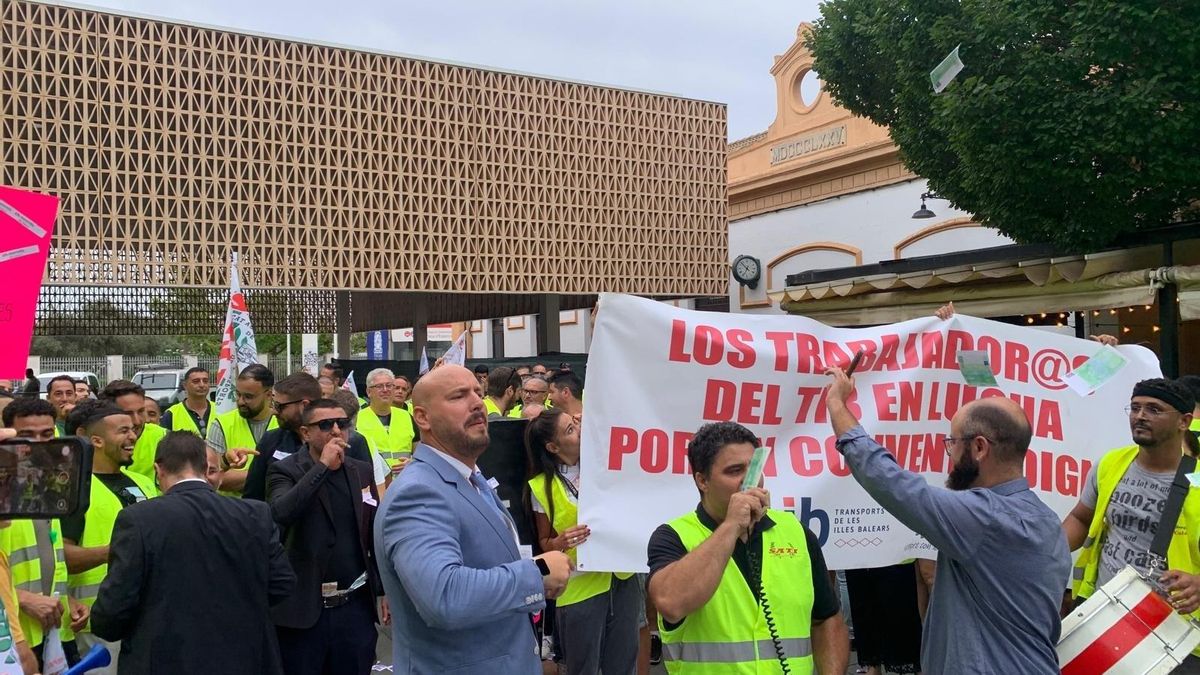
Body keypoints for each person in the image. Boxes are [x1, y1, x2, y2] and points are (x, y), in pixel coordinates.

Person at [824, 366, 1070, 674]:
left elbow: (891, 482)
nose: (949, 454)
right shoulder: (1045, 519)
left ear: (979, 447)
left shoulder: (985, 518)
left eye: (952, 442)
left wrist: (837, 405)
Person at [375, 364, 572, 673]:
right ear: (422, 417)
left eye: (478, 393)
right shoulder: (418, 494)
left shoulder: (470, 477)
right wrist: (538, 573)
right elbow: (444, 596)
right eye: (458, 396)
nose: (477, 402)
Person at [647, 422, 848, 674]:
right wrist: (732, 526)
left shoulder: (795, 532)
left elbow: (826, 618)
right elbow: (671, 602)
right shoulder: (674, 537)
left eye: (754, 468)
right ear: (702, 480)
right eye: (734, 471)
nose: (749, 481)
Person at [91, 432, 295, 675]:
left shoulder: (139, 519)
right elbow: (282, 583)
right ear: (204, 467)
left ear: (158, 469)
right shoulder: (255, 514)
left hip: (165, 658)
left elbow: (116, 604)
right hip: (245, 656)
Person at [1064, 378, 1200, 669]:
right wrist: (1044, 550)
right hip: (1104, 613)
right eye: (1135, 408)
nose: (1140, 416)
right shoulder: (1110, 463)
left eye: (1154, 409)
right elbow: (1080, 518)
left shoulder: (1198, 481)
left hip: (1175, 632)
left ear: (1184, 421)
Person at [267, 400, 382, 675]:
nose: (336, 431)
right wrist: (321, 468)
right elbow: (281, 512)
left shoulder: (360, 470)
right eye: (325, 425)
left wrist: (382, 589)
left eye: (342, 424)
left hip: (354, 607)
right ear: (305, 433)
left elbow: (372, 530)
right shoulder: (285, 470)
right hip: (305, 611)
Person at [526, 409, 639, 674]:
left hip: (621, 578)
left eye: (575, 423)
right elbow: (544, 543)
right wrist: (561, 541)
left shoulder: (607, 464)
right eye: (569, 429)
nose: (578, 429)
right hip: (579, 587)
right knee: (582, 666)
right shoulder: (542, 487)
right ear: (553, 447)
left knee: (624, 662)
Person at [63, 403, 160, 674]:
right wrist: (119, 550)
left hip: (149, 617)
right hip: (98, 624)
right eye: (123, 431)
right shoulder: (74, 489)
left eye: (133, 430)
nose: (133, 436)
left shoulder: (143, 482)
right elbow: (62, 558)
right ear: (96, 440)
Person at [1, 398, 87, 669]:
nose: (39, 444)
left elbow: (50, 558)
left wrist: (66, 599)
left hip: (51, 632)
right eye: (27, 435)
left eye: (47, 434)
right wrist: (23, 599)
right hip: (13, 641)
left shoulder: (52, 486)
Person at [243, 372, 372, 502]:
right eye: (273, 405)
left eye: (279, 406)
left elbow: (366, 498)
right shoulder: (271, 440)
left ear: (304, 405)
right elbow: (253, 497)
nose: (274, 411)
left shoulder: (352, 442)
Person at [207, 364, 278, 496]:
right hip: (234, 513)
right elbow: (213, 478)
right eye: (238, 394)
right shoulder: (221, 424)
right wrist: (272, 475)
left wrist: (240, 477)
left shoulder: (283, 423)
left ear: (268, 395)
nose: (240, 401)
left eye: (248, 397)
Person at [98, 380, 167, 481]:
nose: (137, 421)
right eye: (128, 413)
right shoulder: (97, 443)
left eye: (141, 411)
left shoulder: (165, 439)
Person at [357, 369, 416, 476]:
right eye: (379, 386)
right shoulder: (357, 419)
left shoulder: (407, 416)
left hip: (404, 483)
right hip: (374, 484)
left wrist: (412, 463)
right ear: (368, 392)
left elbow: (420, 452)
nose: (385, 390)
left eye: (389, 385)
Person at [158, 367, 214, 438]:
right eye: (196, 381)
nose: (202, 385)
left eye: (205, 381)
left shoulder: (221, 410)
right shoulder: (171, 414)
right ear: (185, 385)